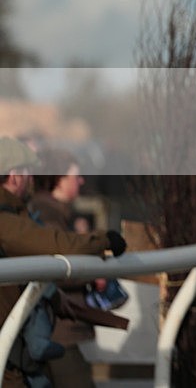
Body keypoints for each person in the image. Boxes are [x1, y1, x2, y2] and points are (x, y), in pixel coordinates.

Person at [0, 137, 127, 388]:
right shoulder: (9, 220)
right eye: (27, 172)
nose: (31, 179)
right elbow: (55, 243)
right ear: (14, 176)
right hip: (18, 353)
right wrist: (105, 239)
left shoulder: (18, 214)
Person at [28, 148, 103, 388]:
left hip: (57, 327)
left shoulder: (55, 214)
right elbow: (52, 269)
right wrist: (93, 274)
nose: (81, 181)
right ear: (59, 179)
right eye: (75, 176)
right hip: (58, 329)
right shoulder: (48, 216)